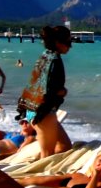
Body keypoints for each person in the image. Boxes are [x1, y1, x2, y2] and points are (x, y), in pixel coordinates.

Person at [17, 25, 72, 158]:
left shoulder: (45, 56)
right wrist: (63, 91)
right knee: (47, 154)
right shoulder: (54, 61)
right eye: (68, 42)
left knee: (65, 145)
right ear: (58, 43)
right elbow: (47, 90)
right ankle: (38, 174)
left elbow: (36, 83)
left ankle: (40, 167)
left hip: (32, 107)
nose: (70, 46)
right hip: (43, 112)